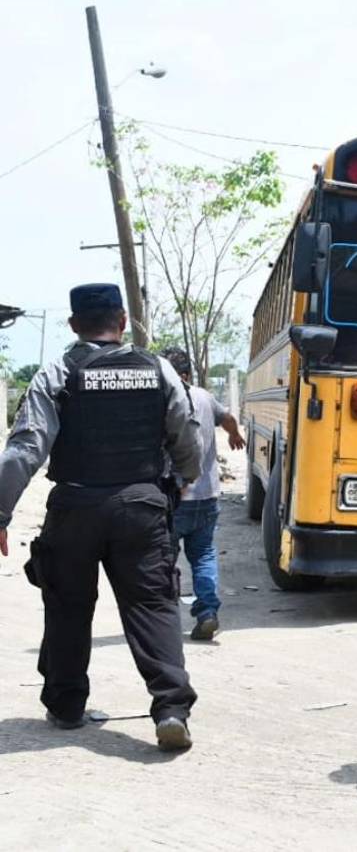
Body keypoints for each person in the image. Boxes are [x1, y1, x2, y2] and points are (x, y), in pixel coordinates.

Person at [0, 284, 202, 752]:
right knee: (152, 605)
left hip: (75, 507)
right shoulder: (159, 369)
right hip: (141, 505)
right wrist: (186, 477)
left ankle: (67, 706)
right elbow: (185, 430)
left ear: (74, 325)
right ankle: (171, 709)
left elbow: (26, 447)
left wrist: (2, 511)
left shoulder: (59, 370)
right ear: (124, 320)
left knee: (68, 607)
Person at [160, 347, 245, 642]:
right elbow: (229, 418)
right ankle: (207, 612)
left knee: (164, 558)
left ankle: (165, 619)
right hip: (207, 496)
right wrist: (234, 434)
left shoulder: (163, 398)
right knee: (204, 554)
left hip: (175, 496)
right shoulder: (205, 397)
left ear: (180, 375)